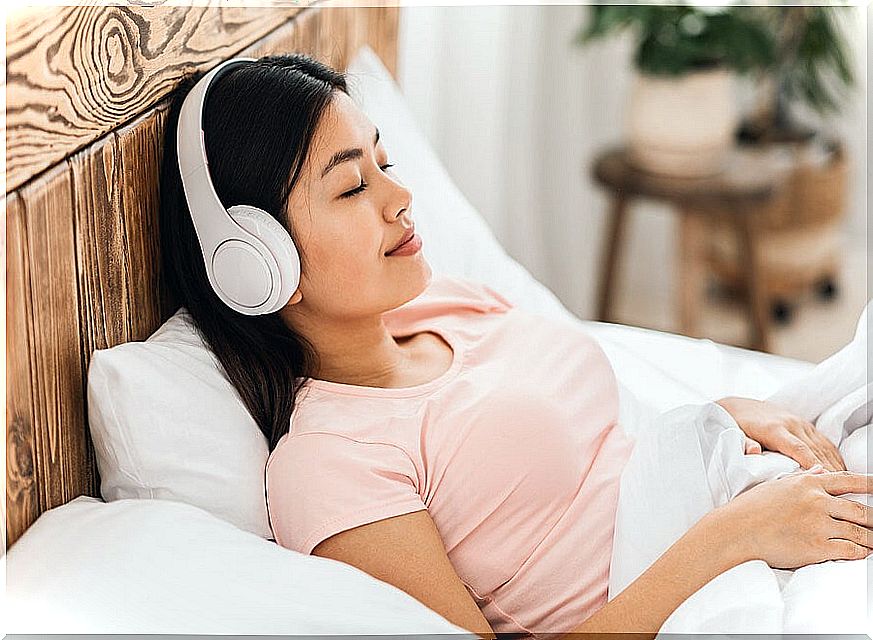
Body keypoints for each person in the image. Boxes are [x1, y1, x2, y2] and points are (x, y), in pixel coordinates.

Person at [159, 53, 872, 640]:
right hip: (704, 582)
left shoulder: (447, 304)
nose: (399, 195)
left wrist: (723, 414)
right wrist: (732, 538)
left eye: (385, 161)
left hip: (732, 504)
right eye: (350, 187)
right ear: (255, 263)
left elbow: (599, 456)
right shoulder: (330, 462)